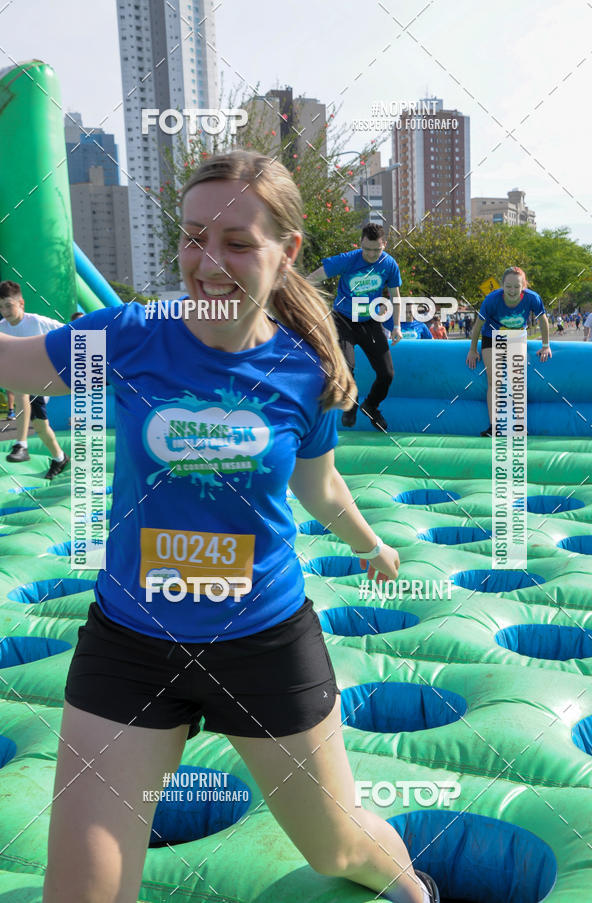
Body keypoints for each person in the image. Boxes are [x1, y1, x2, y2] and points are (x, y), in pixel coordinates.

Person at [0, 152, 439, 903]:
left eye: (236, 241)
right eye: (193, 236)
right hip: (132, 643)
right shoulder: (132, 337)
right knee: (80, 890)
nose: (207, 262)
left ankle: (414, 885)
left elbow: (319, 484)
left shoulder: (305, 369)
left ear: (287, 250)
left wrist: (371, 543)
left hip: (264, 644)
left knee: (337, 849)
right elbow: (12, 363)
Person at [307, 223, 402, 432]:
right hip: (343, 320)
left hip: (369, 321)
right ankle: (352, 401)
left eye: (377, 250)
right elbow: (313, 278)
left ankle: (371, 406)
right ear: (361, 244)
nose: (371, 254)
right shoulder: (348, 260)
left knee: (387, 374)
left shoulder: (389, 264)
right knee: (346, 367)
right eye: (367, 249)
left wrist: (396, 326)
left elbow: (395, 297)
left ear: (384, 245)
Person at [466, 266, 551, 436]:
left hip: (516, 336)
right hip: (492, 336)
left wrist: (546, 345)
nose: (512, 291)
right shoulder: (491, 299)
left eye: (517, 287)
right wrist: (473, 350)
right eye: (508, 286)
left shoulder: (532, 298)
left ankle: (520, 425)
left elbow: (543, 320)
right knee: (494, 381)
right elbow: (477, 327)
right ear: (502, 285)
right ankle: (494, 426)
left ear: (523, 286)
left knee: (517, 379)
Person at [0, 280, 70, 479]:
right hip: (29, 381)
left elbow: (68, 331)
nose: (5, 311)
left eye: (9, 305)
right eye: (1, 307)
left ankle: (21, 444)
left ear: (21, 303)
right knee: (41, 427)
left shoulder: (37, 322)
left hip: (46, 377)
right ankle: (59, 458)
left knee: (20, 387)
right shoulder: (2, 328)